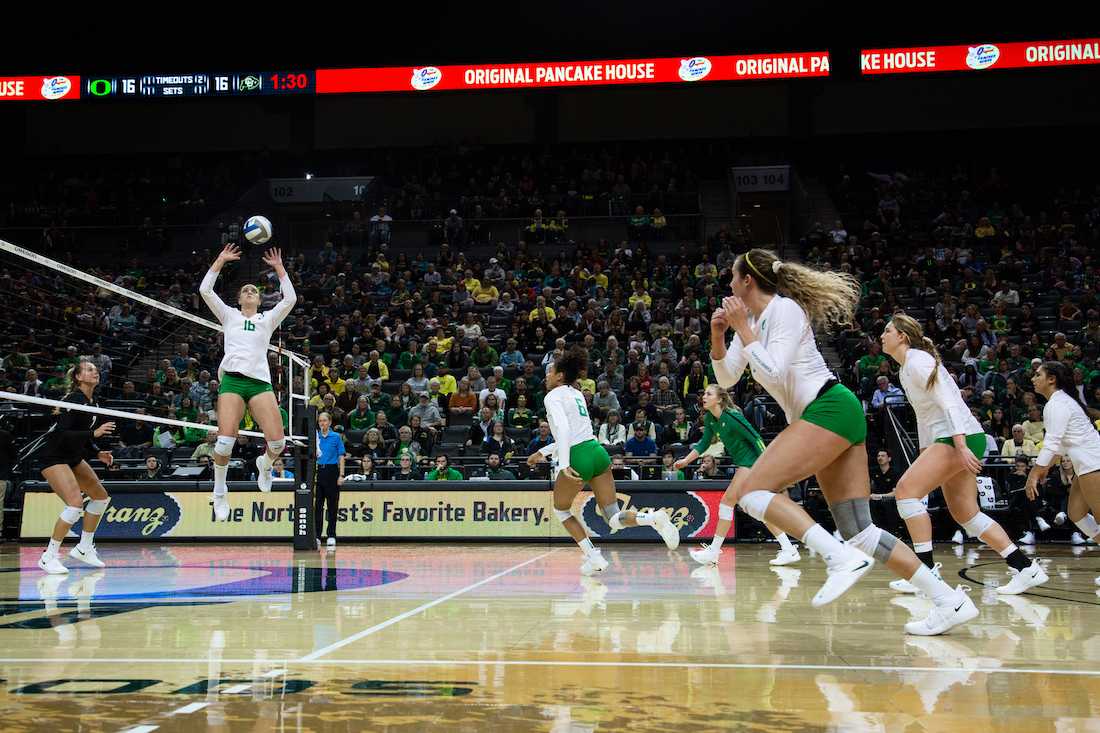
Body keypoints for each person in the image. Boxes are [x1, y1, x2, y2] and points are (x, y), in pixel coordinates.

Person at [711, 248, 974, 634]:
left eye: (733, 278)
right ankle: (948, 601)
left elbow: (772, 367)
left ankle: (838, 557)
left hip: (828, 408)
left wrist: (744, 332)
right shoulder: (748, 320)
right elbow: (729, 377)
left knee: (750, 492)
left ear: (747, 280)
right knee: (861, 531)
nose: (729, 285)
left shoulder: (783, 310)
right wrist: (721, 335)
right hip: (829, 415)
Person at [880, 315, 1047, 596]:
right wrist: (925, 452)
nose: (881, 336)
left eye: (887, 331)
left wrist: (960, 445)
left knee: (906, 493)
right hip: (952, 438)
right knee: (966, 514)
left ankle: (926, 574)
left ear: (903, 337)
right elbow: (925, 415)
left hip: (960, 437)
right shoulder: (906, 368)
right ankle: (1025, 568)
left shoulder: (917, 360)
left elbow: (950, 402)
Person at [526, 346, 679, 575]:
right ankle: (652, 518)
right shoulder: (577, 393)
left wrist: (564, 464)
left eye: (550, 372)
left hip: (577, 456)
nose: (546, 375)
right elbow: (573, 432)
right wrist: (544, 453)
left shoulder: (552, 396)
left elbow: (566, 430)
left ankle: (593, 556)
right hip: (597, 452)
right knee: (613, 518)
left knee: (561, 511)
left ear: (559, 375)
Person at [199, 244, 296, 521]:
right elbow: (205, 291)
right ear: (240, 299)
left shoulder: (267, 320)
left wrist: (279, 268)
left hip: (259, 384)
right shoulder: (229, 315)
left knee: (278, 444)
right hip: (232, 381)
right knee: (224, 442)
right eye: (246, 290)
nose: (250, 292)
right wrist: (219, 260)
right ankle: (219, 491)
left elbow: (289, 299)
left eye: (254, 290)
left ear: (259, 298)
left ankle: (264, 464)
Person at [677, 384, 801, 566]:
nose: (704, 396)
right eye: (704, 393)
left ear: (719, 399)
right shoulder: (711, 419)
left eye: (709, 394)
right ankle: (788, 548)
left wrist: (767, 466)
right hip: (745, 465)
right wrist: (685, 461)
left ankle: (713, 551)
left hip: (753, 463)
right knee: (755, 508)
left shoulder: (733, 416)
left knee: (727, 501)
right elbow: (703, 444)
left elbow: (756, 439)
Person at [30, 361, 115, 574]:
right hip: (54, 455)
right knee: (75, 505)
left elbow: (81, 435)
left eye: (96, 369)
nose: (95, 372)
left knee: (101, 497)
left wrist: (96, 452)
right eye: (89, 369)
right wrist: (93, 435)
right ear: (78, 377)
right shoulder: (72, 400)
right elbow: (61, 434)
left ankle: (84, 548)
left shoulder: (91, 403)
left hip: (73, 456)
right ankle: (48, 557)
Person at [1026, 362, 1100, 589]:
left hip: (1092, 463)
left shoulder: (1057, 404)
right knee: (1076, 513)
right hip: (1085, 465)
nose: (1033, 379)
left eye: (1038, 374)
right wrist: (1046, 468)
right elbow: (1058, 449)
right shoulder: (1059, 402)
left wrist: (1034, 473)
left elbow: (1052, 443)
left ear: (1052, 379)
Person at [315, 412, 346, 548]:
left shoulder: (336, 437)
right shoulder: (315, 437)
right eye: (320, 421)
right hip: (318, 471)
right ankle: (317, 535)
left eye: (324, 420)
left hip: (332, 471)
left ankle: (331, 535)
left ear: (330, 422)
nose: (322, 423)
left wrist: (341, 475)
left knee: (332, 506)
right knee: (318, 506)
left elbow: (341, 456)